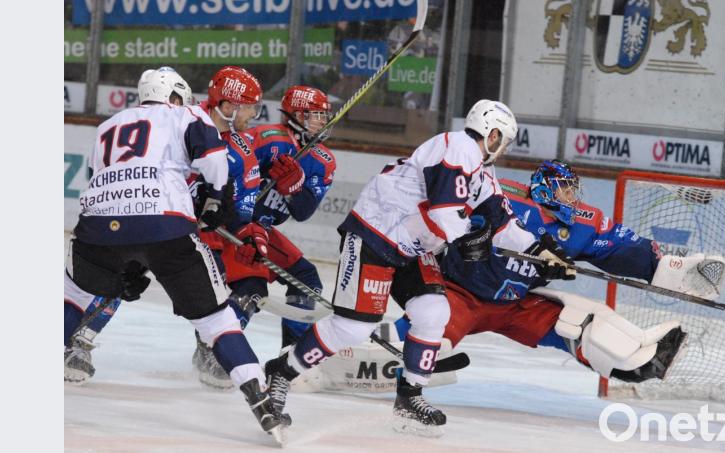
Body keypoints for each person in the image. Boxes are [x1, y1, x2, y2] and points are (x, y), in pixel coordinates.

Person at [257, 99, 572, 437]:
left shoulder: (480, 169)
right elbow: (444, 214)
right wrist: (473, 239)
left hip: (412, 246)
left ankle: (409, 396)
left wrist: (542, 253)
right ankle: (282, 372)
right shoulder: (457, 148)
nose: (504, 148)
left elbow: (504, 223)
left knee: (434, 311)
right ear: (492, 134)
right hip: (375, 236)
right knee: (353, 328)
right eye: (504, 140)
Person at [63, 66, 280, 437]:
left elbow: (105, 180)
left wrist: (127, 263)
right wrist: (214, 199)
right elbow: (214, 163)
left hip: (98, 225)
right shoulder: (189, 115)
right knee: (216, 319)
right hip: (166, 225)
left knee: (73, 293)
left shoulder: (107, 126)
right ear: (176, 98)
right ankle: (259, 397)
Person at [428, 160, 725, 382]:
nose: (572, 197)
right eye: (565, 190)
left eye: (573, 190)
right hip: (459, 294)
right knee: (429, 336)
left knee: (580, 325)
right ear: (545, 189)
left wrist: (664, 267)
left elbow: (616, 246)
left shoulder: (581, 223)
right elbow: (450, 214)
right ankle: (400, 358)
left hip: (515, 305)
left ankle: (638, 364)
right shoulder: (500, 196)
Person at [190, 83, 337, 389]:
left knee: (307, 280)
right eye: (315, 116)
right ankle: (213, 349)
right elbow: (230, 167)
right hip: (236, 225)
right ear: (295, 114)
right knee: (252, 285)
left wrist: (294, 187)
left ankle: (290, 359)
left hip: (264, 230)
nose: (322, 123)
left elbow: (303, 211)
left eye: (324, 116)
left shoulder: (323, 160)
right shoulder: (268, 138)